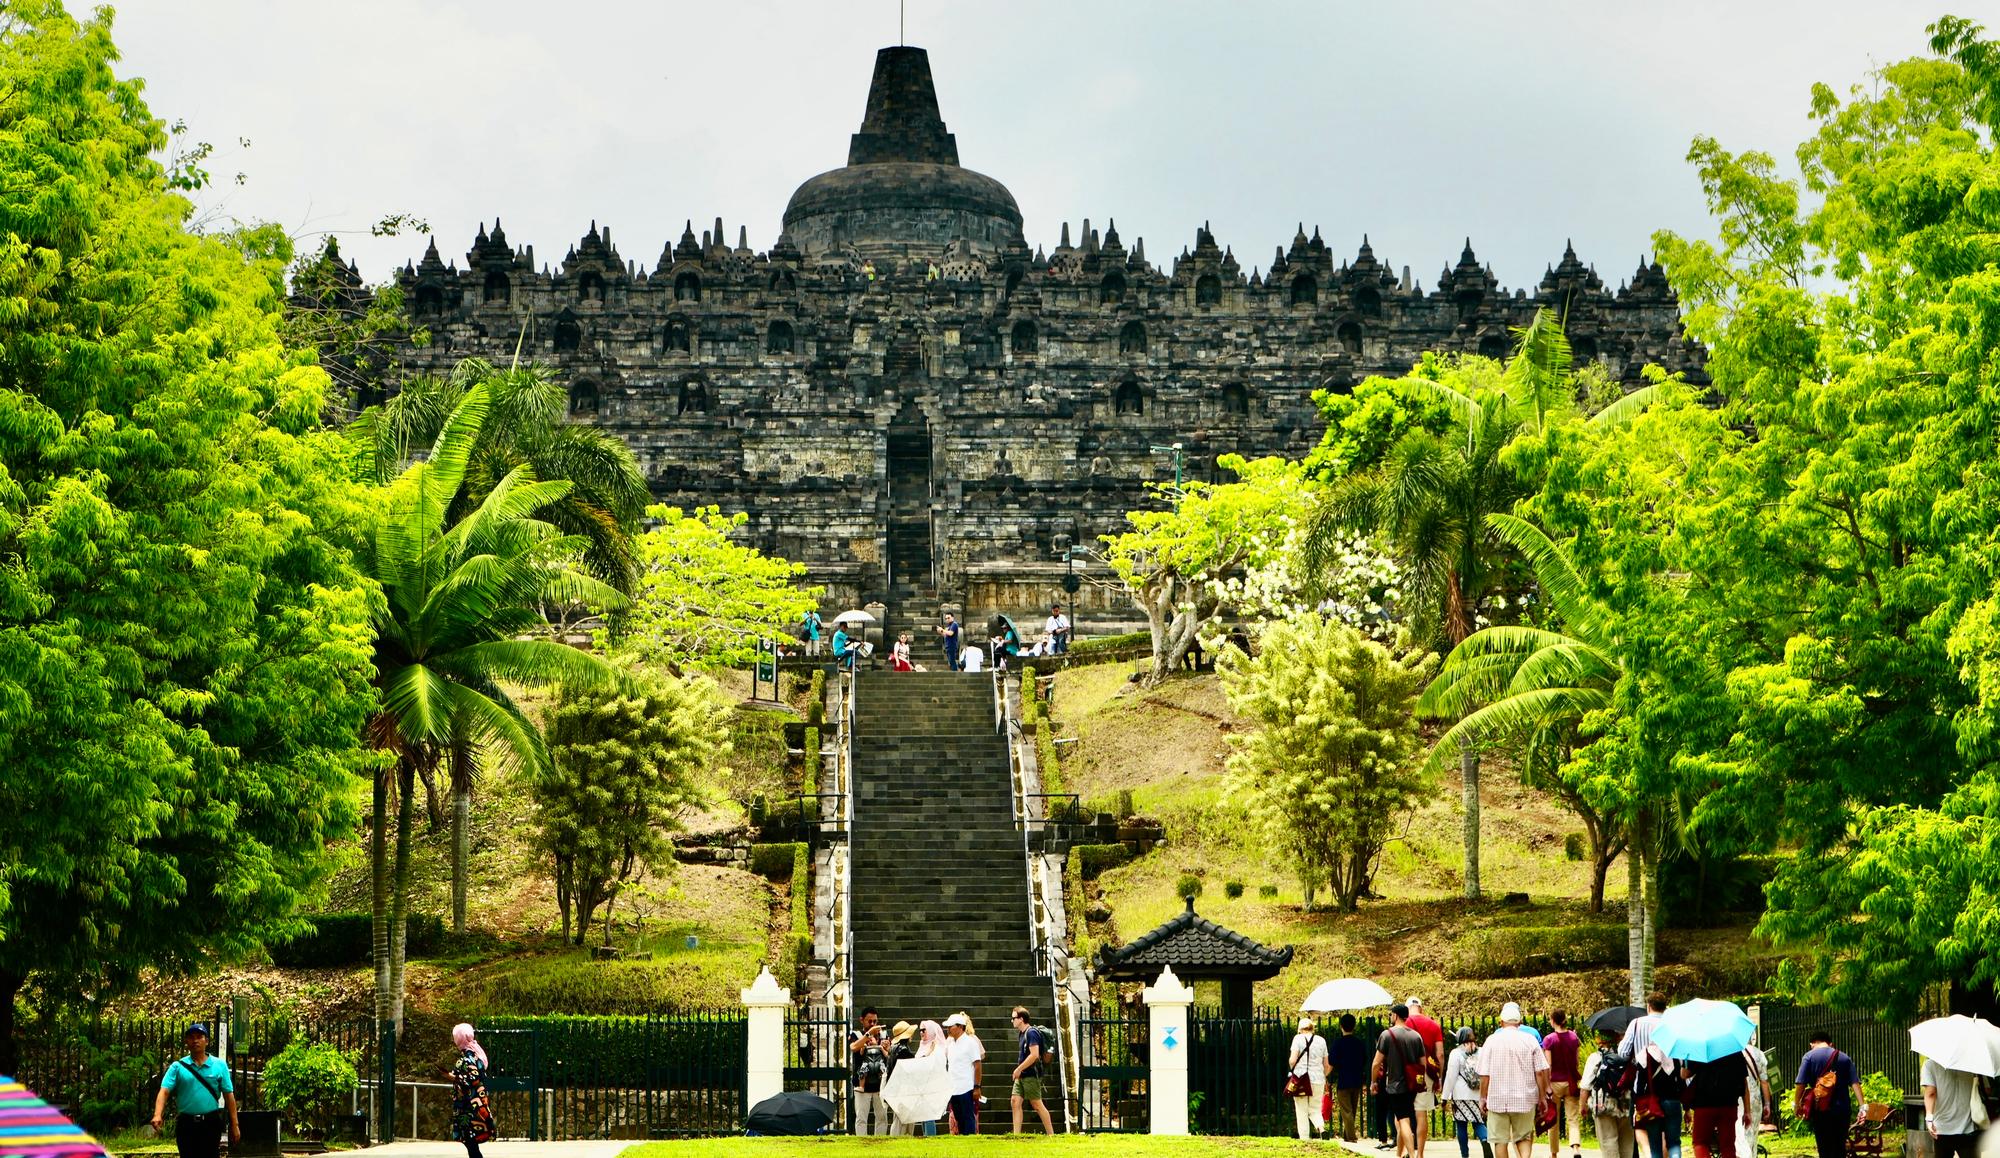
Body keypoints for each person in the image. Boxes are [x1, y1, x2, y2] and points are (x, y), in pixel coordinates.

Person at [151, 1023, 238, 1158]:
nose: (195, 1040)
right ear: (187, 1042)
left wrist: (234, 1124)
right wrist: (157, 1114)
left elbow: (229, 1096)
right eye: (191, 1037)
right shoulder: (178, 1067)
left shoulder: (219, 1065)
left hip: (210, 1122)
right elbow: (164, 1091)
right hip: (186, 1124)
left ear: (206, 1041)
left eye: (199, 1037)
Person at [1478, 1002, 1551, 1158]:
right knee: (1524, 1137)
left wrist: (1483, 1097)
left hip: (1497, 1099)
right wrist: (1542, 1096)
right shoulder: (1530, 1040)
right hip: (1525, 1099)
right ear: (1519, 1021)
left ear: (1501, 1022)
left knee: (1500, 1141)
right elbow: (1540, 1072)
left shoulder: (1491, 1041)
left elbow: (1485, 1075)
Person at [1620, 993, 1682, 1158]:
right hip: (1672, 1091)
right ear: (1665, 1007)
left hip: (1646, 1091)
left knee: (1652, 1140)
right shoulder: (1674, 1026)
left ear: (1648, 1006)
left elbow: (1623, 1052)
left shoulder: (1636, 1024)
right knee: (1674, 1141)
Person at [1792, 1031, 1864, 1158]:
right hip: (1842, 1110)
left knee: (1824, 1148)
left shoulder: (1809, 1057)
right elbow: (1855, 1083)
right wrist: (1862, 1107)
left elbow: (1800, 1083)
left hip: (1821, 1109)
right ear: (1830, 1043)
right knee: (1839, 1147)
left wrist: (1796, 1104)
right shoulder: (1844, 1057)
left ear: (1812, 1044)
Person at [1374, 1003, 1428, 1158]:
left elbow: (1376, 1062)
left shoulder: (1387, 1035)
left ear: (1395, 1016)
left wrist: (1373, 1081)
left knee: (1403, 1121)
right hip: (1412, 1085)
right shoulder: (1416, 1036)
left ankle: (1411, 1154)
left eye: (1391, 1015)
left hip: (1395, 1085)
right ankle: (1399, 1154)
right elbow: (1423, 1063)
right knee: (1402, 1117)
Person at [1681, 1047, 1751, 1158]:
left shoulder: (1700, 1048)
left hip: (1704, 1104)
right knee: (1728, 1146)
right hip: (1729, 1103)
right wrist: (1748, 1111)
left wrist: (1686, 1057)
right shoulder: (1734, 1050)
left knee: (1700, 1143)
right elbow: (1744, 1083)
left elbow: (1684, 1074)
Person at [1582, 1030, 1637, 1158]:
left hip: (1603, 1103)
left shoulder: (1596, 1057)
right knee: (1627, 1142)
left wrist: (1582, 1105)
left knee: (1608, 1141)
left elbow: (1585, 1086)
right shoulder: (1630, 1057)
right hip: (1626, 1102)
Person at [446, 1023, 496, 1158]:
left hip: (468, 1106)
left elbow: (471, 1079)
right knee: (471, 1143)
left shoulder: (466, 1058)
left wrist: (452, 1077)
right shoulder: (476, 1053)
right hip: (476, 1103)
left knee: (470, 1141)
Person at [1444, 1027, 1492, 1158]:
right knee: (1478, 1122)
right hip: (1478, 1093)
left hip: (1460, 1095)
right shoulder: (1481, 1051)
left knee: (1461, 1125)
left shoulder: (1456, 1053)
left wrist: (1445, 1097)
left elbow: (1450, 1077)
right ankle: (1484, 1139)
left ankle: (1465, 1154)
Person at [1923, 1054, 1983, 1158]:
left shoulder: (1930, 1064)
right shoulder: (1973, 1065)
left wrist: (1929, 1119)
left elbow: (1931, 1093)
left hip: (1941, 1129)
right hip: (1967, 1127)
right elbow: (1986, 1090)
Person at [1408, 997, 1447, 1155]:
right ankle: (1420, 1153)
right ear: (1421, 1008)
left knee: (1402, 1114)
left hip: (1407, 1071)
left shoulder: (1403, 1023)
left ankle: (1406, 1150)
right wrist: (1439, 1077)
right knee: (1421, 1112)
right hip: (1426, 1073)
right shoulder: (1433, 1024)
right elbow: (1441, 1054)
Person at [1009, 1006, 1055, 1135]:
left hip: (1031, 1074)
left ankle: (1051, 1134)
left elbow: (1034, 1055)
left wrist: (1019, 1068)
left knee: (1037, 1104)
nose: (1012, 1021)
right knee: (1015, 1101)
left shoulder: (1031, 1033)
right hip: (1022, 1075)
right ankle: (1016, 1135)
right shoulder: (1022, 1033)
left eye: (1014, 1018)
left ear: (1021, 1019)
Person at [1544, 1010, 1584, 1158]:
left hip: (1554, 1082)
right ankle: (1575, 1148)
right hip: (1570, 1082)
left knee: (1553, 1118)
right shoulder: (1574, 1037)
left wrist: (1546, 1085)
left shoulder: (1549, 1039)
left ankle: (1553, 1153)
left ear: (1553, 1021)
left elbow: (1549, 1064)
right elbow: (1577, 1061)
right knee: (1572, 1117)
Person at [849, 1006, 891, 1135]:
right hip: (862, 1083)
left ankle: (881, 1143)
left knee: (882, 1117)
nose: (872, 1024)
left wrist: (888, 1047)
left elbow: (889, 1054)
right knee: (861, 1117)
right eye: (869, 1021)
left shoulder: (883, 1035)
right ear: (862, 1020)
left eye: (875, 1021)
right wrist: (869, 1034)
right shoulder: (856, 1034)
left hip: (880, 1083)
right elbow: (854, 1047)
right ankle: (862, 1144)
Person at [1288, 1015, 1331, 1139]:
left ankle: (1305, 1138)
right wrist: (1323, 1075)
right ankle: (1321, 1128)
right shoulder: (1321, 1040)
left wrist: (1293, 1068)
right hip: (1318, 1079)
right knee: (1315, 1108)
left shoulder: (1298, 1039)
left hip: (1301, 1079)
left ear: (1300, 1029)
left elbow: (1292, 1060)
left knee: (1301, 1109)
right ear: (1312, 1028)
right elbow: (1326, 1064)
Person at [1333, 1013, 1371, 1143]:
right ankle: (1347, 1134)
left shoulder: (1338, 1043)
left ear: (1341, 1026)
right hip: (1357, 1080)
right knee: (1352, 1109)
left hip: (1343, 1080)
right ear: (1354, 1026)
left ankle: (1351, 1137)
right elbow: (1364, 1059)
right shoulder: (1359, 1043)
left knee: (1346, 1110)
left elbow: (1333, 1060)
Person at [943, 1013, 983, 1136]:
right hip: (954, 1088)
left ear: (960, 1027)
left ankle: (970, 1140)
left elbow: (977, 1065)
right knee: (959, 1118)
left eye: (951, 1026)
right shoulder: (950, 1045)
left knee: (968, 1117)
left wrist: (976, 1087)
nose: (948, 1029)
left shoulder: (970, 1043)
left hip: (966, 1087)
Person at [1735, 1048, 1772, 1158]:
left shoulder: (1730, 1052)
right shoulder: (1758, 1053)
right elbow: (1764, 1081)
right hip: (1755, 1098)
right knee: (1752, 1136)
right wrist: (1767, 1104)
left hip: (1738, 1098)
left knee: (1739, 1136)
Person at [886, 1021, 919, 1134]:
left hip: (895, 1087)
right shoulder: (904, 1051)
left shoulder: (893, 1049)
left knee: (898, 1117)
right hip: (904, 1088)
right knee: (903, 1119)